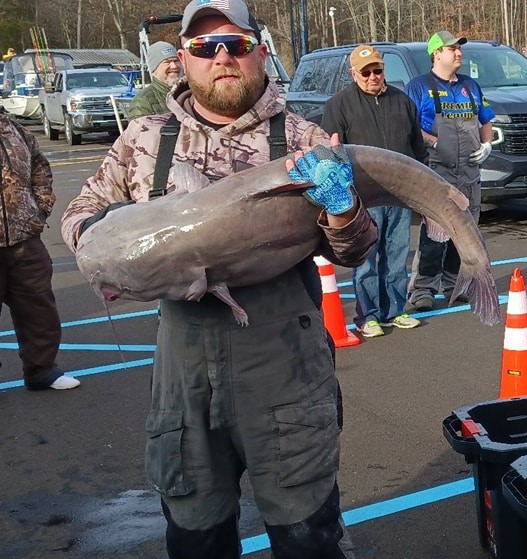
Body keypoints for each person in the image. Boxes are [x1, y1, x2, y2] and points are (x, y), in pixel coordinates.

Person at [60, 0, 376, 557]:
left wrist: (344, 207)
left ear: (260, 53)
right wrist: (115, 239)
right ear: (184, 59)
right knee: (196, 536)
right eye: (206, 47)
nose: (222, 57)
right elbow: (78, 216)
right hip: (184, 382)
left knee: (309, 538)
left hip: (287, 373)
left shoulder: (306, 138)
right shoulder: (144, 139)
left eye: (237, 44)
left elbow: (355, 251)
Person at [321, 45, 427, 338]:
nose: (372, 77)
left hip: (398, 195)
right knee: (366, 258)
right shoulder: (339, 105)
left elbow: (418, 151)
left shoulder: (402, 102)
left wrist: (419, 192)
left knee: (396, 254)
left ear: (384, 70)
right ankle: (368, 315)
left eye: (376, 70)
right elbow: (331, 154)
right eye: (365, 72)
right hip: (363, 198)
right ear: (353, 74)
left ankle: (396, 310)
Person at [404, 30, 494, 311]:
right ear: (436, 54)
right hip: (437, 172)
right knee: (434, 233)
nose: (458, 53)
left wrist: (487, 144)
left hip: (469, 171)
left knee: (465, 232)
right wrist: (434, 141)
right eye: (452, 48)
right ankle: (423, 289)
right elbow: (410, 126)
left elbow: (485, 119)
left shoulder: (471, 86)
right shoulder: (418, 87)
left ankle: (457, 284)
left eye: (459, 48)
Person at [0, 113, 79, 391]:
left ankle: (41, 370)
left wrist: (39, 210)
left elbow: (39, 169)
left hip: (24, 238)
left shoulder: (14, 127)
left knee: (38, 309)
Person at [127, 41, 183, 119]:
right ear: (154, 68)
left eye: (176, 61)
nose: (174, 66)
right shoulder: (143, 101)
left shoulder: (190, 93)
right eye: (167, 62)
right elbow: (139, 130)